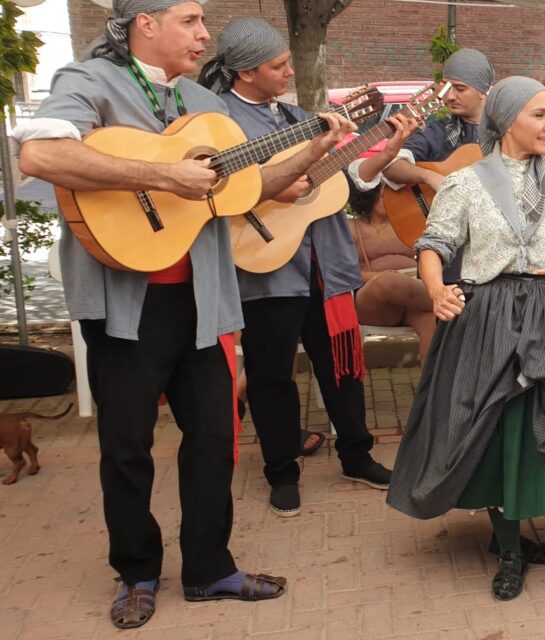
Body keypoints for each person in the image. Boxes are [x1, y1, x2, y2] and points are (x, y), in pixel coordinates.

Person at [11, 0, 353, 627]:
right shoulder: (88, 81)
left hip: (204, 298)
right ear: (146, 22)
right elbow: (40, 158)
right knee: (126, 444)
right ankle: (137, 572)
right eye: (191, 21)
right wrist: (163, 176)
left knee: (215, 438)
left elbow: (248, 187)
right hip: (126, 302)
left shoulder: (204, 102)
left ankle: (208, 567)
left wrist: (314, 149)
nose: (204, 35)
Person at [387, 77, 545, 601]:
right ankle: (508, 549)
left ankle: (515, 533)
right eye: (540, 115)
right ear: (505, 120)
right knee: (494, 428)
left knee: (538, 427)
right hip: (487, 317)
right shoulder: (466, 183)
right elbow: (433, 245)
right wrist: (436, 291)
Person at [196, 19, 400, 518]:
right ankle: (281, 470)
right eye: (278, 65)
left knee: (343, 368)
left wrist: (384, 145)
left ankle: (357, 454)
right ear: (245, 72)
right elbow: (210, 188)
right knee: (271, 375)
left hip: (324, 262)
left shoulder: (296, 117)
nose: (289, 71)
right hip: (264, 263)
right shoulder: (218, 122)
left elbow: (334, 181)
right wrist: (266, 187)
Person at [351, 48, 495, 282]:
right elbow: (392, 167)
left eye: (460, 89)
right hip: (444, 253)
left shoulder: (502, 133)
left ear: (483, 91)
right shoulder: (437, 131)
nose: (450, 96)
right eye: (446, 87)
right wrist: (429, 178)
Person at [347, 187, 437, 364]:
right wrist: (378, 277)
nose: (388, 201)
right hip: (374, 299)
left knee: (431, 323)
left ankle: (433, 389)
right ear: (367, 196)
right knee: (387, 282)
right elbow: (344, 273)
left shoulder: (409, 224)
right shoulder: (351, 227)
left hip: (414, 295)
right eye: (382, 196)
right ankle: (462, 301)